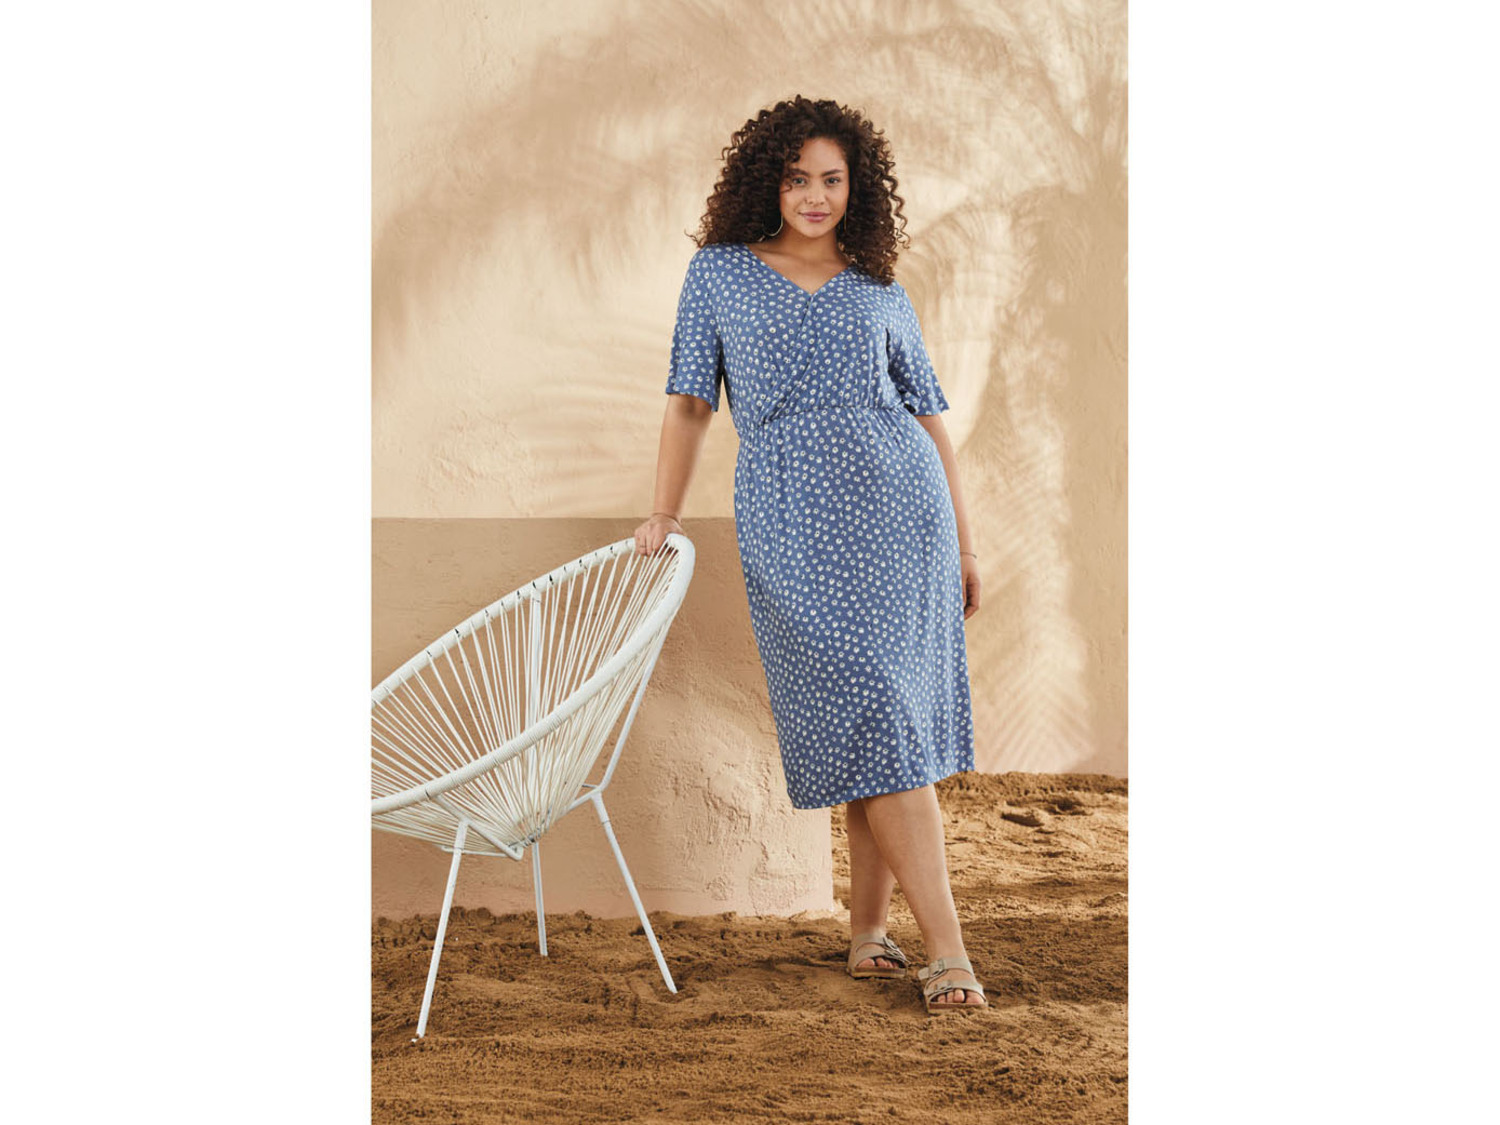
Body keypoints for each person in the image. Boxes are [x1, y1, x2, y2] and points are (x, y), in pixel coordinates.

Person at [634, 96, 986, 1013]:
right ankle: (937, 946)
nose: (816, 196)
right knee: (871, 712)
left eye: (832, 179)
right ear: (769, 182)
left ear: (855, 187)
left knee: (885, 724)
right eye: (798, 179)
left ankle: (883, 935)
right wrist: (663, 512)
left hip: (902, 516)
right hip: (791, 521)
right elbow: (689, 403)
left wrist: (964, 541)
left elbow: (928, 419)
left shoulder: (879, 289)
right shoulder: (719, 273)